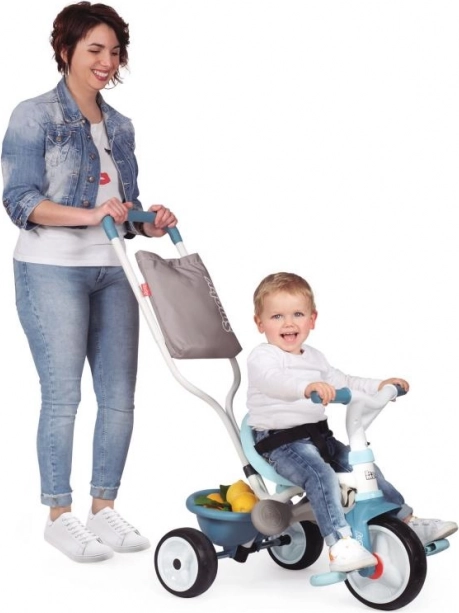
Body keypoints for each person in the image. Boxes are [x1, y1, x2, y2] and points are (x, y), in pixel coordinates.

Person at [1, 2, 178, 563]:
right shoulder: (34, 115)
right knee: (63, 397)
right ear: (66, 51)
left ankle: (104, 507)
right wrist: (91, 215)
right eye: (94, 49)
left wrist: (147, 221)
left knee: (119, 398)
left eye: (114, 51)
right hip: (50, 269)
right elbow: (19, 201)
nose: (107, 61)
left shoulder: (120, 125)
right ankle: (60, 515)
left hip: (114, 267)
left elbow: (121, 209)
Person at [247, 272, 457, 573]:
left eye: (297, 314)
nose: (288, 323)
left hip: (319, 438)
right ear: (260, 323)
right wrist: (306, 388)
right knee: (321, 476)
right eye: (277, 316)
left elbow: (344, 381)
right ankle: (340, 543)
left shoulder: (315, 358)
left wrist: (379, 386)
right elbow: (273, 382)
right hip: (280, 443)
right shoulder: (263, 356)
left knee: (364, 468)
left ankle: (406, 520)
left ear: (312, 319)